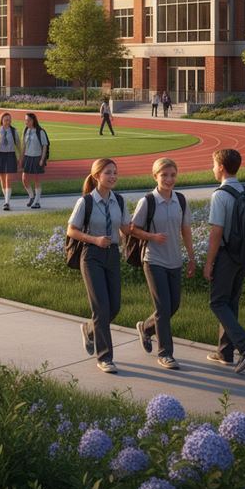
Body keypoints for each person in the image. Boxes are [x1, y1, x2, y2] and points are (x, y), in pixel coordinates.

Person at [66, 158, 131, 373]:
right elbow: (71, 230)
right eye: (108, 173)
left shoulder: (119, 201)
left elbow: (125, 228)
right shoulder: (86, 202)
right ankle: (105, 357)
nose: (113, 176)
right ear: (96, 177)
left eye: (115, 172)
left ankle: (90, 329)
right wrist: (94, 240)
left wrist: (128, 234)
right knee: (101, 308)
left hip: (112, 255)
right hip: (91, 255)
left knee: (114, 307)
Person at [130, 158, 195, 371]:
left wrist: (192, 257)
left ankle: (147, 328)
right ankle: (165, 353)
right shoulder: (147, 201)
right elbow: (132, 229)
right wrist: (151, 236)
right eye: (164, 175)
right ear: (155, 176)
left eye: (172, 175)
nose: (169, 179)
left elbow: (186, 230)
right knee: (163, 307)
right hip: (153, 259)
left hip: (174, 260)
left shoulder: (181, 200)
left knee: (173, 305)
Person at [203, 148, 245, 374]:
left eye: (213, 164)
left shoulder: (220, 195)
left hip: (227, 255)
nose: (212, 168)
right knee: (231, 302)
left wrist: (209, 263)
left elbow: (216, 232)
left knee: (217, 302)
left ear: (221, 168)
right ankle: (225, 352)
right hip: (244, 254)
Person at [0, 112, 20, 210]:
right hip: (0, 156)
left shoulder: (14, 131)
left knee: (8, 179)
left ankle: (7, 202)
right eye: (6, 119)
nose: (8, 121)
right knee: (2, 179)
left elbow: (19, 145)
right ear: (1, 120)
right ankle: (6, 200)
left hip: (11, 155)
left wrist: (20, 157)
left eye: (9, 119)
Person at [20, 112, 49, 209]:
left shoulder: (40, 131)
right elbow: (23, 146)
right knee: (24, 178)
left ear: (33, 121)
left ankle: (37, 201)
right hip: (28, 157)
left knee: (36, 180)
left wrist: (42, 159)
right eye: (25, 120)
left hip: (37, 157)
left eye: (28, 120)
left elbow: (45, 146)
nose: (26, 122)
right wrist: (21, 158)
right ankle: (31, 196)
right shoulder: (26, 130)